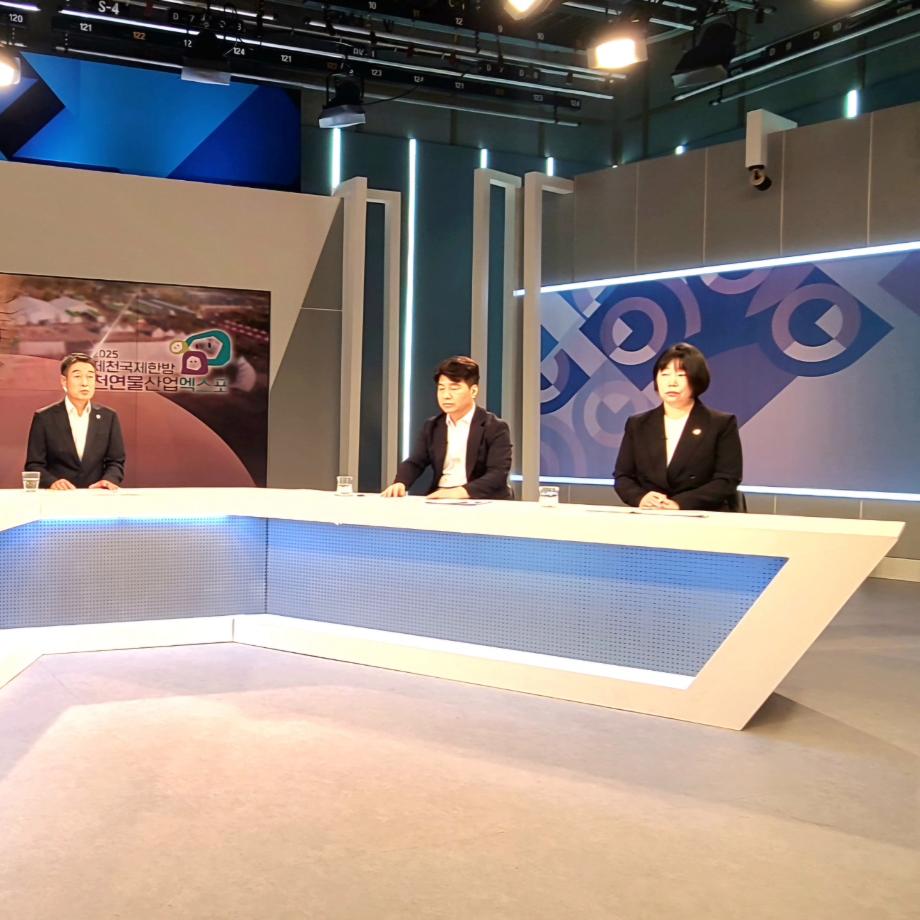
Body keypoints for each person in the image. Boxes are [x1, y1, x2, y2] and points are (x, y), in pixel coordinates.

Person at [613, 343, 742, 511]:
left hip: (701, 515)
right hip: (651, 516)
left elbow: (727, 479)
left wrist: (680, 503)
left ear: (697, 380)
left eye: (681, 375)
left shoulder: (721, 424)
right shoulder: (637, 424)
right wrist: (641, 497)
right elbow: (623, 477)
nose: (671, 383)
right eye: (665, 374)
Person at [382, 356, 512, 500]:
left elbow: (498, 474)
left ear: (473, 391)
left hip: (480, 498)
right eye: (441, 388)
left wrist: (460, 492)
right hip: (441, 497)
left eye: (454, 388)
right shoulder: (432, 426)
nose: (446, 395)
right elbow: (415, 462)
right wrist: (400, 482)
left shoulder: (495, 427)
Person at [25, 353, 126, 490]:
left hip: (97, 495)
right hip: (59, 496)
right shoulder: (44, 418)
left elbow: (116, 461)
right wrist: (52, 482)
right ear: (64, 381)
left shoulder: (109, 417)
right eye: (77, 376)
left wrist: (108, 481)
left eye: (90, 376)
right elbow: (34, 465)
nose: (85, 383)